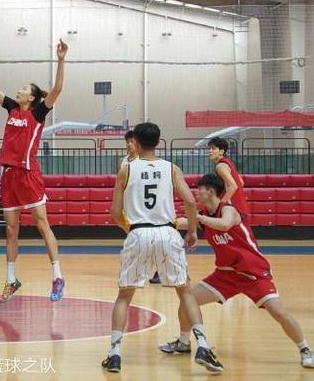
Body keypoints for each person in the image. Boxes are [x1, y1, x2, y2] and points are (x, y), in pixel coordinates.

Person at [101, 122, 223, 373]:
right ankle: (202, 345)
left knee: (124, 296)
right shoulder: (171, 168)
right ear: (158, 142)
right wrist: (191, 231)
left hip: (139, 232)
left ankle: (114, 354)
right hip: (168, 232)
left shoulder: (126, 169)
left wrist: (132, 231)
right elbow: (190, 201)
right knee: (185, 293)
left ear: (135, 141)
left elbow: (115, 212)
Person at [0, 39, 69, 303]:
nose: (18, 90)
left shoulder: (38, 113)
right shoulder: (11, 108)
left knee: (42, 225)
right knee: (11, 230)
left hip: (28, 174)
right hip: (8, 177)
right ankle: (11, 279)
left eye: (24, 89)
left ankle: (57, 276)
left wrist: (61, 60)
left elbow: (57, 89)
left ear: (32, 97)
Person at [159, 174, 314, 368]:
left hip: (253, 273)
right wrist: (162, 222)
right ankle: (183, 342)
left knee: (278, 312)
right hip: (225, 274)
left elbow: (224, 224)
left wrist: (197, 217)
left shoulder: (229, 209)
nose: (197, 194)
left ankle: (305, 349)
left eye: (200, 190)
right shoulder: (204, 214)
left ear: (211, 191)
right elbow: (183, 222)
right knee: (188, 299)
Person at [120, 130, 160, 285]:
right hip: (129, 206)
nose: (129, 144)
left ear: (138, 143)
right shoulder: (124, 161)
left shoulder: (143, 161)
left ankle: (156, 268)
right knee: (135, 238)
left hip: (143, 207)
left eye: (132, 141)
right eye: (127, 142)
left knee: (146, 239)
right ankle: (141, 267)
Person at [207, 137, 250, 220]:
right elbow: (241, 182)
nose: (210, 151)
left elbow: (233, 186)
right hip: (239, 205)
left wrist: (221, 204)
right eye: (209, 149)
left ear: (222, 151)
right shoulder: (228, 162)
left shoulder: (220, 166)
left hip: (231, 206)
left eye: (213, 148)